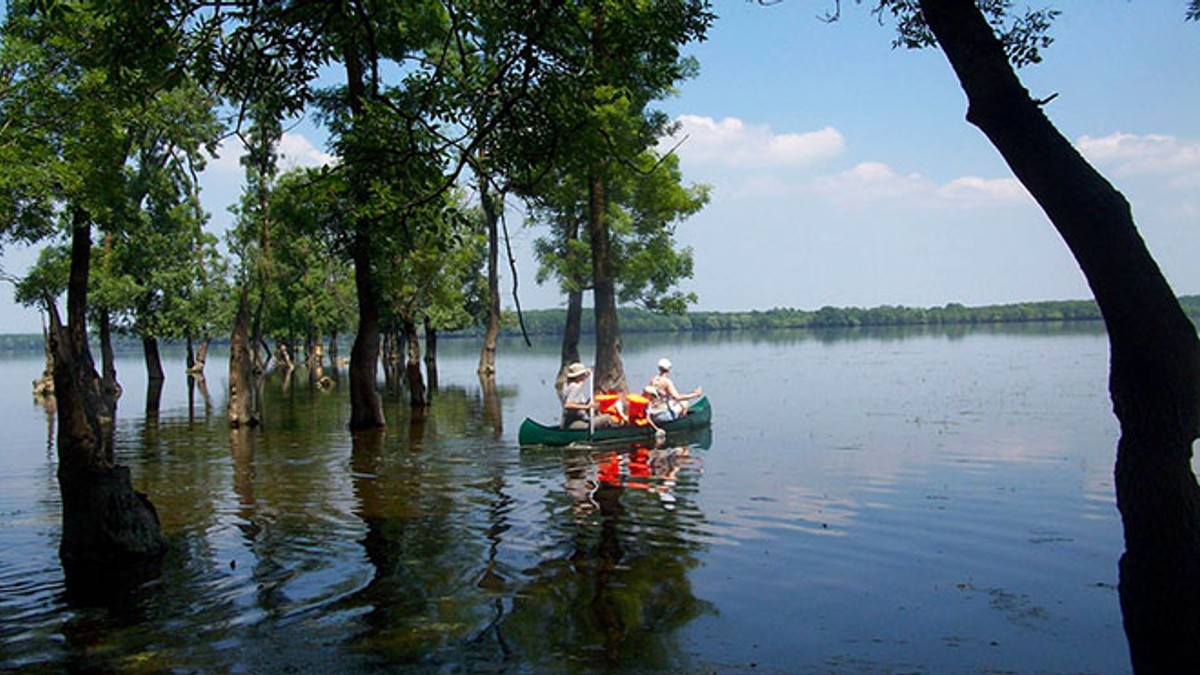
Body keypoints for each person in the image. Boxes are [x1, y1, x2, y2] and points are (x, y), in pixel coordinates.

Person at [560, 362, 617, 430]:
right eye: (583, 374)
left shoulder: (567, 384)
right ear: (578, 376)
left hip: (566, 422)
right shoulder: (575, 387)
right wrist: (586, 407)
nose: (584, 376)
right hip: (574, 423)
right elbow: (568, 405)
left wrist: (588, 374)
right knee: (607, 417)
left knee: (591, 401)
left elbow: (581, 382)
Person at [645, 358, 702, 425]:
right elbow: (677, 397)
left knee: (677, 402)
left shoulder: (653, 380)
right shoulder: (667, 382)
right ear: (669, 369)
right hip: (663, 416)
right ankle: (680, 423)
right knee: (685, 403)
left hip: (652, 416)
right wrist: (695, 395)